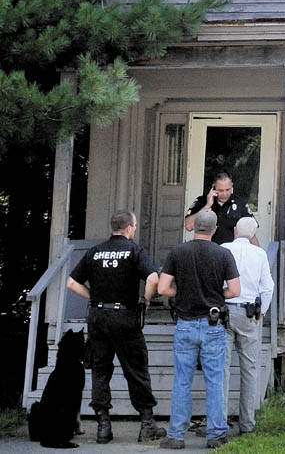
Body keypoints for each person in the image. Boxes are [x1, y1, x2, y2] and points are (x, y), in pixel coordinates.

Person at [66, 209, 166, 444]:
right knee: (136, 370)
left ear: (113, 227)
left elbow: (71, 283)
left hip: (99, 317)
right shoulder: (134, 251)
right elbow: (153, 278)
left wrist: (93, 297)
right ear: (130, 228)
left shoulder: (95, 252)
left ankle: (103, 427)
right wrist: (146, 300)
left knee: (100, 371)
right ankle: (147, 424)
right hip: (125, 317)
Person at [158, 208, 241, 450]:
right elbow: (235, 291)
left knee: (182, 381)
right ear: (215, 230)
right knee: (214, 381)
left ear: (194, 227)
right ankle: (215, 434)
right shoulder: (223, 254)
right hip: (213, 325)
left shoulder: (178, 251)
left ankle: (175, 435)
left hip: (184, 324)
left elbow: (163, 288)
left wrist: (181, 292)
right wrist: (217, 296)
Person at [222, 217, 274, 435]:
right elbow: (268, 287)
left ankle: (219, 422)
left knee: (221, 369)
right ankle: (247, 424)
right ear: (253, 235)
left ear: (235, 231)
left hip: (223, 311)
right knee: (250, 369)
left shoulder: (223, 249)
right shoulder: (260, 254)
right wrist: (261, 312)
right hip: (248, 312)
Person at [184, 172, 258, 245]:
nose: (225, 194)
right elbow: (188, 226)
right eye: (220, 190)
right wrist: (207, 206)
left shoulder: (240, 203)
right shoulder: (202, 201)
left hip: (231, 252)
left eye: (228, 189)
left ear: (232, 186)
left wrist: (260, 254)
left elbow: (251, 234)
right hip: (208, 251)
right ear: (214, 187)